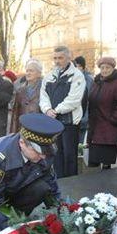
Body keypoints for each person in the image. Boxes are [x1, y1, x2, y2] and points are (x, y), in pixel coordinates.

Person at [39, 46, 85, 178]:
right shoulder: (49, 76)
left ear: (68, 57)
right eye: (55, 58)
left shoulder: (77, 75)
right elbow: (43, 96)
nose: (57, 61)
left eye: (60, 58)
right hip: (53, 121)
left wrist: (56, 110)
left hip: (69, 121)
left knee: (70, 155)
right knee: (56, 154)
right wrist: (47, 109)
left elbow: (74, 99)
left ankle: (72, 184)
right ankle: (60, 184)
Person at [86, 57, 117, 169]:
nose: (104, 70)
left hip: (109, 129)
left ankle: (106, 186)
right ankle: (93, 187)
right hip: (95, 129)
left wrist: (113, 120)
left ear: (113, 68)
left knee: (106, 166)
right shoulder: (97, 82)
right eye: (102, 68)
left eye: (107, 67)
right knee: (93, 164)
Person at [9, 59, 43, 133]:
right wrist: (13, 132)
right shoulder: (20, 90)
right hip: (23, 128)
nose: (28, 73)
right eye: (27, 71)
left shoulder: (45, 88)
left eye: (31, 71)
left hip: (39, 128)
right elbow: (15, 114)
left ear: (39, 73)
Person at [73, 56, 93, 143]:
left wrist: (85, 117)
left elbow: (88, 98)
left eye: (77, 66)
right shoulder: (73, 78)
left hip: (83, 117)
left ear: (82, 67)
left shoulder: (88, 79)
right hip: (73, 118)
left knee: (79, 143)